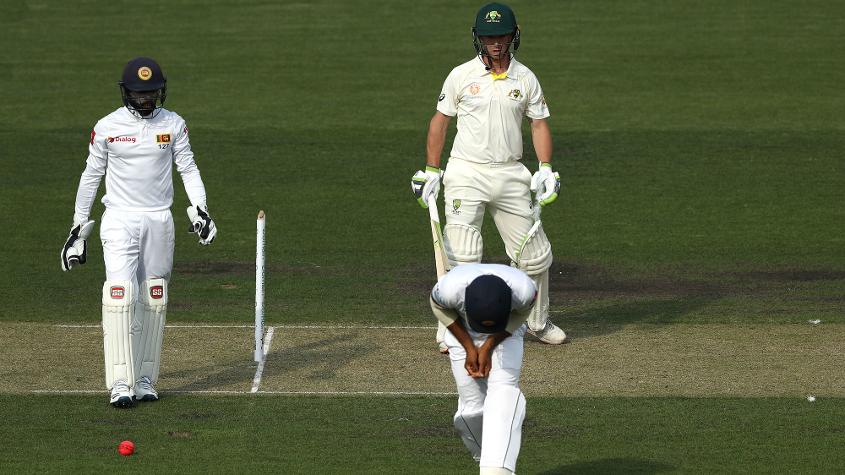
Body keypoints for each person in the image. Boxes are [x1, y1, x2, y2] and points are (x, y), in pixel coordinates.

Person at [60, 57, 217, 408]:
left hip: (159, 220)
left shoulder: (173, 124)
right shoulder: (107, 127)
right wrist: (78, 228)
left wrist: (202, 209)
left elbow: (188, 167)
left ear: (159, 92)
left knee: (154, 296)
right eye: (138, 93)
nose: (145, 100)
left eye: (151, 93)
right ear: (125, 92)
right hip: (120, 219)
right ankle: (120, 383)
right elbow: (90, 176)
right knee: (120, 295)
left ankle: (145, 379)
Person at [412, 3, 567, 350]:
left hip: (511, 173)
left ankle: (536, 322)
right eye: (488, 37)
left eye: (501, 36)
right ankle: (452, 328)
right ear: (478, 38)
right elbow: (440, 122)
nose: (495, 43)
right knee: (463, 253)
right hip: (466, 171)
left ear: (513, 36)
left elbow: (538, 123)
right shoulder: (461, 75)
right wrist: (431, 170)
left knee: (535, 255)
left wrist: (544, 167)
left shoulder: (525, 78)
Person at [430, 263, 534, 475]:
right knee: (471, 412)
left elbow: (521, 315)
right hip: (462, 329)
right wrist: (469, 346)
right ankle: (484, 457)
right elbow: (438, 307)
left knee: (503, 393)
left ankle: (496, 470)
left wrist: (488, 346)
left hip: (507, 333)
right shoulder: (449, 289)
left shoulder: (524, 290)